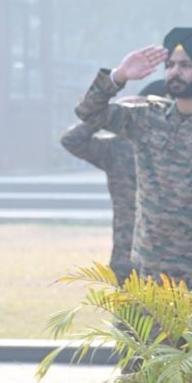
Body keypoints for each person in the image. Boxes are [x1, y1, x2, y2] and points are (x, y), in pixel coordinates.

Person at [75, 27, 192, 297]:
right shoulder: (147, 118)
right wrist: (118, 76)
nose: (175, 72)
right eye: (170, 65)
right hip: (150, 269)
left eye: (185, 65)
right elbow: (88, 112)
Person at [59, 79, 167, 282]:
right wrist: (109, 114)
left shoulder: (186, 149)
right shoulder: (118, 148)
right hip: (127, 254)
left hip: (175, 258)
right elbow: (71, 140)